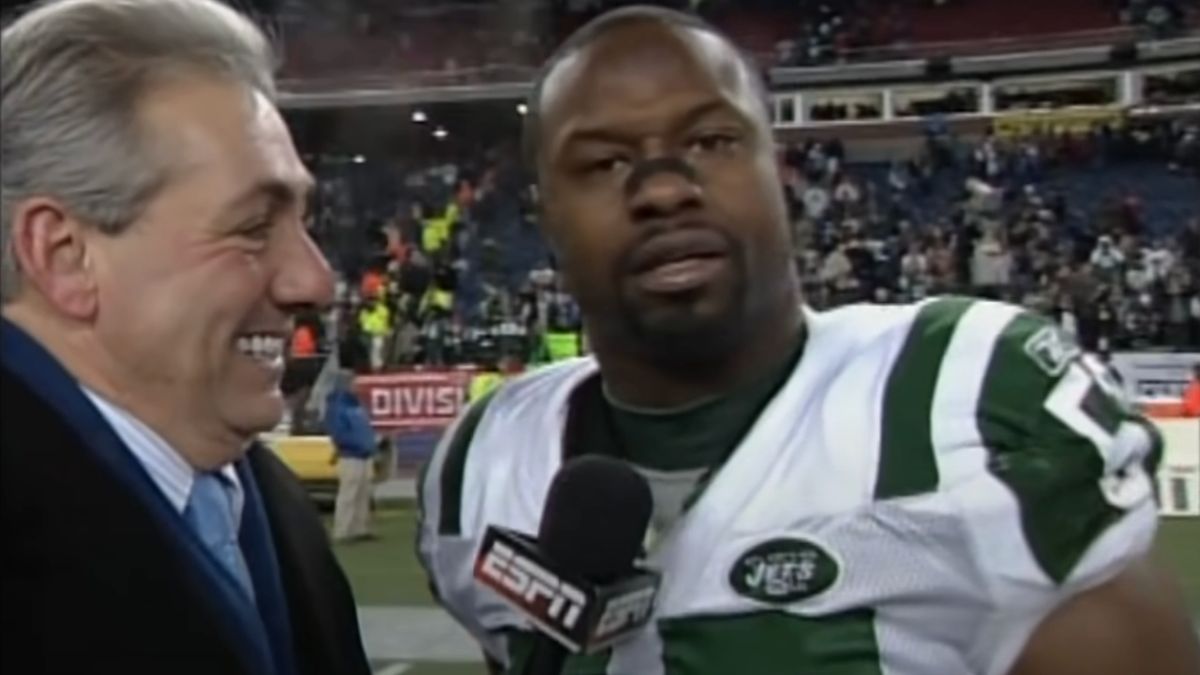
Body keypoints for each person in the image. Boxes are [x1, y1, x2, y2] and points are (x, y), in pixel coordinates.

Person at [415, 6, 1200, 675]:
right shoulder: (483, 461)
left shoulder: (965, 405)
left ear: (779, 169)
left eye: (712, 142)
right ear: (544, 214)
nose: (662, 187)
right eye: (605, 161)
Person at [0, 1, 370, 674]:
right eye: (254, 227)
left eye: (301, 219)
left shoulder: (268, 498)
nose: (314, 280)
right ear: (63, 254)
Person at [325, 369, 379, 542]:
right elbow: (338, 432)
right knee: (349, 493)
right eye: (352, 383)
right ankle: (343, 530)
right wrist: (356, 444)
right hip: (350, 454)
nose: (355, 386)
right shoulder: (337, 406)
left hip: (364, 454)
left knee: (363, 493)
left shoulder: (356, 405)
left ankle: (359, 528)